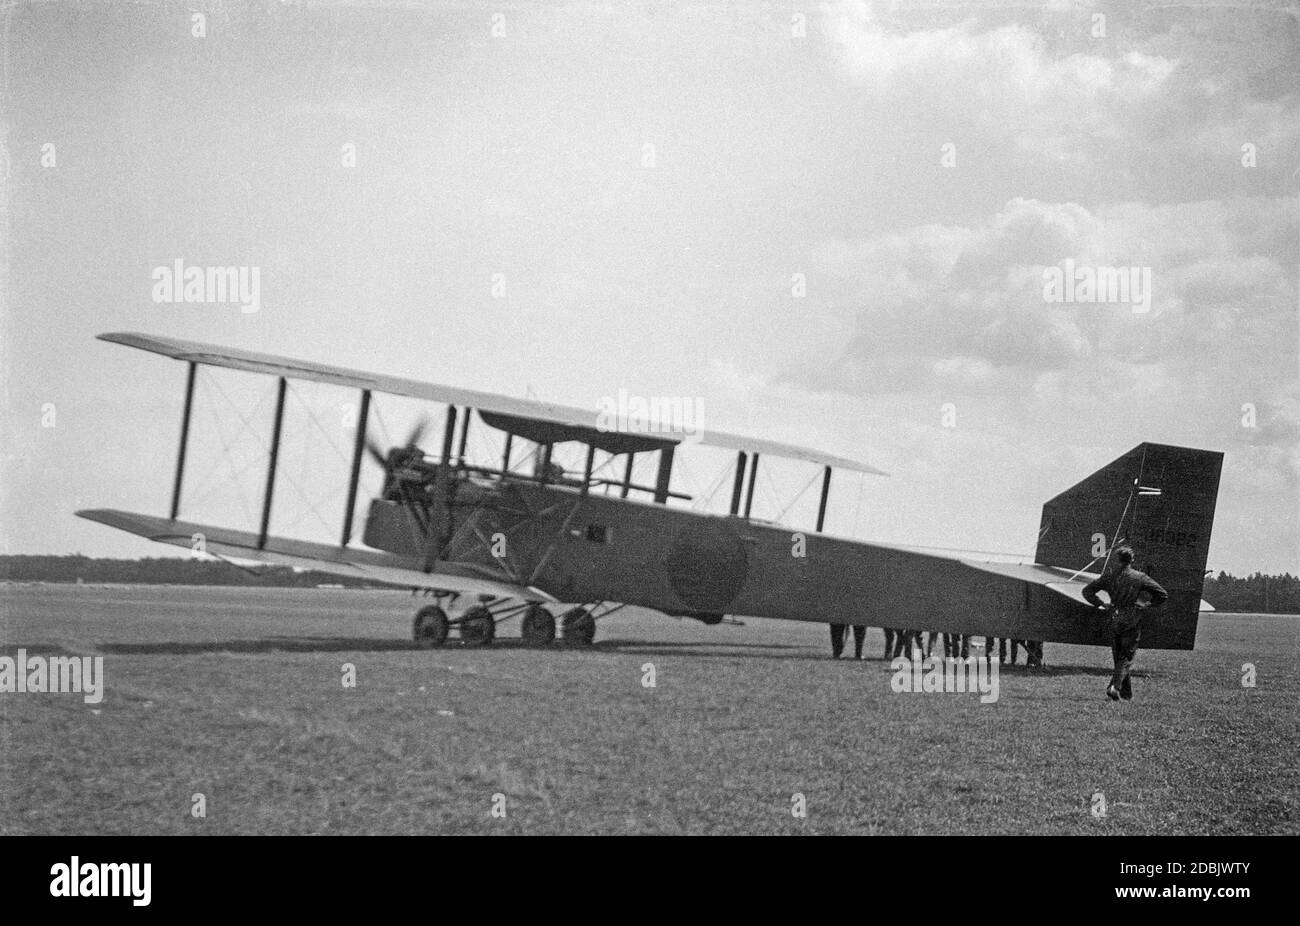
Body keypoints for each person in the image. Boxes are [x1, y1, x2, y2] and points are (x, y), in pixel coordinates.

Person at [1082, 546, 1168, 701]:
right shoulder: (1140, 577)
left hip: (1114, 616)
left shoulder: (1108, 576)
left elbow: (1087, 591)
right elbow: (1162, 594)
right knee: (1127, 656)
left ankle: (1126, 694)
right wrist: (1146, 604)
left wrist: (1102, 603)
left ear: (1118, 559)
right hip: (1132, 618)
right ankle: (1115, 687)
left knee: (1119, 656)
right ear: (1132, 560)